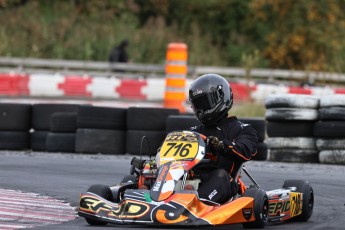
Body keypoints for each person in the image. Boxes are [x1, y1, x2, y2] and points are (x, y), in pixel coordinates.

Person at [188, 73, 258, 204]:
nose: (200, 110)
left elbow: (245, 150)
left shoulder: (242, 129)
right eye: (197, 105)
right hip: (190, 178)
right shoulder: (193, 132)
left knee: (220, 175)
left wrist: (221, 146)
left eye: (204, 104)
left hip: (222, 182)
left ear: (220, 99)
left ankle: (197, 204)